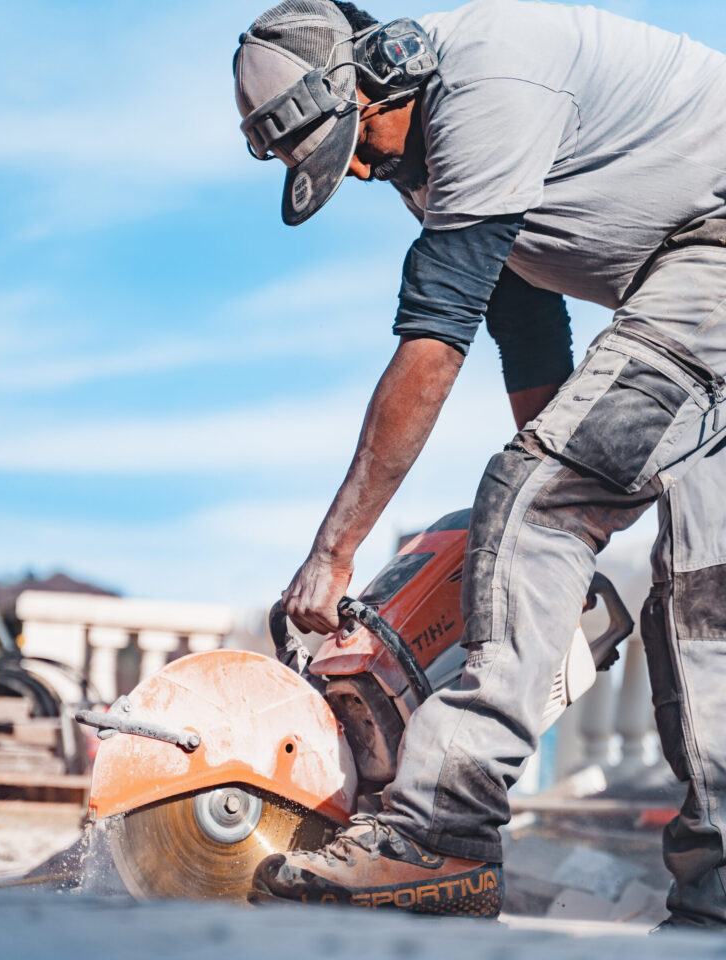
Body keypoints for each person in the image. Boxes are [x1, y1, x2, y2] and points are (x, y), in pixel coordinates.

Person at [233, 0, 726, 926]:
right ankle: (722, 891)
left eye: (357, 147)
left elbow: (435, 343)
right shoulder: (429, 158)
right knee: (705, 597)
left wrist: (335, 552)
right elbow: (528, 326)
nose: (363, 171)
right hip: (689, 266)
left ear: (381, 73)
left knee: (532, 498)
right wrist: (571, 527)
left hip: (714, 256)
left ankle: (440, 834)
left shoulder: (489, 82)